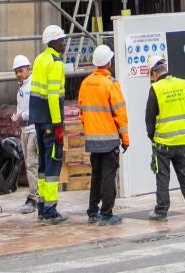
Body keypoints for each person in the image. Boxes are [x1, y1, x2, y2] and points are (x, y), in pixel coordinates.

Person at [78, 42, 130, 224]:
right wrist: (125, 139)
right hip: (109, 140)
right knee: (109, 177)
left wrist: (90, 131)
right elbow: (120, 114)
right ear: (108, 63)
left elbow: (82, 113)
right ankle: (107, 213)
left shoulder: (85, 83)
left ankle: (93, 211)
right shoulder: (111, 84)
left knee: (96, 175)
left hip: (93, 140)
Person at [145, 52, 185, 219]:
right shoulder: (183, 84)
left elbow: (149, 118)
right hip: (182, 141)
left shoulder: (155, 88)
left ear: (154, 73)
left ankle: (161, 211)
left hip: (162, 143)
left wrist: (152, 137)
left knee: (162, 178)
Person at [29, 22, 69, 223]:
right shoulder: (55, 63)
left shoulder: (39, 59)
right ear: (53, 42)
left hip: (38, 120)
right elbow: (53, 97)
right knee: (53, 163)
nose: (64, 43)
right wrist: (58, 125)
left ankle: (42, 206)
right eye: (61, 40)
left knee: (43, 163)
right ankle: (50, 209)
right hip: (50, 121)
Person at [13, 53, 39, 211]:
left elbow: (35, 109)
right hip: (24, 128)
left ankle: (34, 197)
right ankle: (34, 195)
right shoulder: (21, 87)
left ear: (28, 69)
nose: (18, 74)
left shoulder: (33, 85)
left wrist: (21, 116)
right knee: (29, 163)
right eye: (16, 71)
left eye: (20, 70)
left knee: (32, 163)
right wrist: (17, 116)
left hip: (33, 128)